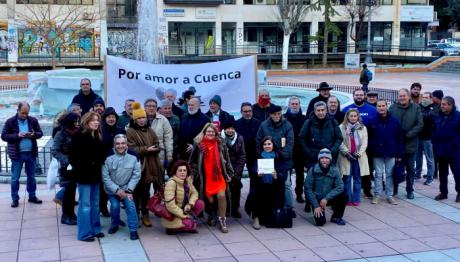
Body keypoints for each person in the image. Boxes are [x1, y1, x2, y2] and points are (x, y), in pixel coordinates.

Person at [189, 123, 234, 233]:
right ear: (204, 132)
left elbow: (227, 159)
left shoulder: (220, 144)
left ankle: (223, 220)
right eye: (208, 131)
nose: (210, 133)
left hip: (219, 177)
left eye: (212, 132)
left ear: (215, 133)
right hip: (206, 177)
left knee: (222, 196)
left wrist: (229, 173)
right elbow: (192, 161)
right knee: (210, 200)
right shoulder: (199, 145)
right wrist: (193, 174)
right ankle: (212, 215)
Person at [69, 112, 106, 242]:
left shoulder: (97, 135)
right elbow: (73, 157)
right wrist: (84, 167)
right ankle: (84, 233)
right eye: (93, 120)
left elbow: (101, 154)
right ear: (86, 121)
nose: (96, 122)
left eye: (97, 120)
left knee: (95, 204)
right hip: (84, 175)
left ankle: (95, 229)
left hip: (96, 175)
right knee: (85, 205)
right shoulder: (79, 136)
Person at [126, 102, 163, 227]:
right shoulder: (130, 131)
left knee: (146, 192)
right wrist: (147, 149)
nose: (142, 120)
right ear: (135, 119)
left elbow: (157, 144)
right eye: (139, 118)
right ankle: (135, 214)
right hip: (138, 166)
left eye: (143, 118)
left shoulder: (150, 130)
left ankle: (145, 214)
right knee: (136, 192)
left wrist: (156, 148)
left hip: (151, 166)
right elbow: (131, 149)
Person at [2, 102, 43, 208]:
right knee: (15, 178)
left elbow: (40, 133)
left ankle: (32, 196)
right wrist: (17, 135)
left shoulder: (33, 120)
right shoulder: (10, 121)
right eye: (22, 113)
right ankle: (15, 199)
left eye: (27, 113)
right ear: (18, 110)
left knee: (31, 177)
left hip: (31, 153)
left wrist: (34, 134)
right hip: (17, 154)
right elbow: (4, 136)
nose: (25, 115)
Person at [102, 134, 141, 240]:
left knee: (131, 206)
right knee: (114, 206)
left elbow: (136, 175)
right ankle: (114, 224)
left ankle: (133, 230)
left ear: (126, 143)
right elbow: (105, 177)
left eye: (123, 143)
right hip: (112, 189)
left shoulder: (134, 156)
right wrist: (117, 190)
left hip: (127, 189)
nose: (120, 146)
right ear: (114, 144)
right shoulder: (107, 156)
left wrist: (129, 190)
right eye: (118, 144)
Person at [255, 105, 295, 210]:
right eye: (274, 114)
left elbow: (290, 143)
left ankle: (289, 207)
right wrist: (261, 156)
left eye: (278, 114)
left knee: (286, 184)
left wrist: (281, 155)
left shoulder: (287, 125)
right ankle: (272, 206)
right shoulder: (263, 125)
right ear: (270, 114)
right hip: (267, 160)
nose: (277, 116)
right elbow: (258, 141)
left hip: (283, 160)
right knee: (269, 184)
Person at [246, 136, 289, 229]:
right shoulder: (258, 156)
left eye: (269, 144)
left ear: (273, 145)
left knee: (269, 221)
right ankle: (255, 217)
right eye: (265, 144)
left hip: (275, 184)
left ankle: (271, 216)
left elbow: (284, 172)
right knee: (256, 193)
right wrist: (257, 174)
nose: (267, 146)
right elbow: (253, 169)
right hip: (261, 184)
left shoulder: (280, 156)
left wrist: (277, 176)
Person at [342, 89, 378, 198]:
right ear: (353, 96)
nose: (359, 97)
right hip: (349, 147)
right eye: (357, 95)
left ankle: (367, 189)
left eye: (361, 95)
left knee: (366, 169)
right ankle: (346, 193)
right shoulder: (346, 109)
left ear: (364, 96)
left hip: (367, 145)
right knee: (348, 172)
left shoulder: (372, 110)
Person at [389, 88, 423, 199]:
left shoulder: (416, 108)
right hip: (396, 145)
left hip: (410, 145)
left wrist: (408, 135)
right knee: (395, 169)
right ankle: (394, 189)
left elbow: (420, 124)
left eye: (404, 96)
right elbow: (389, 122)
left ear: (408, 97)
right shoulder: (393, 107)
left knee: (410, 169)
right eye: (400, 96)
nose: (402, 98)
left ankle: (409, 190)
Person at [367, 100, 404, 205]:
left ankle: (389, 195)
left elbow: (399, 139)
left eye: (383, 106)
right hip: (377, 152)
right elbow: (368, 138)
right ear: (376, 107)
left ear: (386, 106)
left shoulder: (395, 121)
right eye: (379, 106)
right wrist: (372, 148)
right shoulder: (372, 121)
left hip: (391, 151)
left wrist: (399, 154)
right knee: (378, 174)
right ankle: (377, 194)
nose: (381, 108)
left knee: (389, 174)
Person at [304, 148, 347, 226]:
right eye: (322, 158)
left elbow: (340, 186)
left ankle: (336, 217)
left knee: (343, 195)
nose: (324, 160)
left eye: (327, 158)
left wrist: (326, 198)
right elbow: (307, 189)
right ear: (319, 159)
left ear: (330, 159)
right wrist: (316, 205)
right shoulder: (313, 170)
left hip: (328, 197)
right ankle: (314, 209)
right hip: (316, 199)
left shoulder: (335, 170)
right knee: (320, 222)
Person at [52, 112, 80, 225]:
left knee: (72, 191)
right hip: (66, 167)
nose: (77, 125)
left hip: (76, 166)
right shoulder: (60, 134)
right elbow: (55, 151)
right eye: (75, 123)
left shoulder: (76, 133)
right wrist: (67, 161)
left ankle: (71, 214)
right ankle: (66, 216)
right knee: (68, 191)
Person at [337, 109, 370, 206]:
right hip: (346, 157)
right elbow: (340, 142)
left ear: (358, 117)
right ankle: (348, 198)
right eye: (351, 116)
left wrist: (359, 153)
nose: (353, 118)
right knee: (347, 178)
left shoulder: (362, 128)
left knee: (357, 179)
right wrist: (347, 153)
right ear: (347, 117)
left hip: (358, 157)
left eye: (355, 116)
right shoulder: (342, 127)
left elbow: (365, 142)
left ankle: (356, 198)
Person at [162, 160, 205, 235]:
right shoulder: (171, 183)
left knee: (200, 203)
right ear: (175, 172)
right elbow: (170, 206)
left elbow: (195, 193)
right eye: (180, 170)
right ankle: (171, 227)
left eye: (184, 170)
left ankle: (185, 223)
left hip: (184, 208)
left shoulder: (187, 181)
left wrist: (190, 204)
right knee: (189, 224)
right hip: (172, 213)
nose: (182, 172)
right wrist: (185, 215)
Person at [299, 101, 343, 170]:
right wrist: (309, 153)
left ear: (326, 110)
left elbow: (339, 138)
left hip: (329, 157)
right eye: (318, 110)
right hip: (313, 159)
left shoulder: (333, 122)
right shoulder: (309, 122)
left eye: (322, 110)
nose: (321, 112)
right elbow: (302, 138)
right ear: (315, 111)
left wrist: (332, 151)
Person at [432, 96, 460, 202]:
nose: (441, 106)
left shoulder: (458, 117)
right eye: (441, 104)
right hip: (440, 149)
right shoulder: (438, 115)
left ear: (450, 105)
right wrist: (434, 140)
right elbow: (433, 129)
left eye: (444, 104)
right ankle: (443, 192)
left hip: (454, 151)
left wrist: (455, 143)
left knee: (457, 172)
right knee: (443, 173)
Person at [100, 107, 126, 217]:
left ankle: (115, 209)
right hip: (104, 163)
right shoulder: (100, 130)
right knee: (103, 187)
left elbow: (125, 146)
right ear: (105, 118)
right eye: (109, 117)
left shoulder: (120, 130)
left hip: (118, 163)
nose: (111, 119)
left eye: (113, 117)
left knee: (117, 185)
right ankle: (103, 207)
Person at [283, 96, 307, 203]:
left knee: (300, 175)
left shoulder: (304, 119)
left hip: (300, 152)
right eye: (292, 104)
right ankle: (288, 195)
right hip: (287, 152)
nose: (295, 106)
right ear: (288, 105)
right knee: (286, 175)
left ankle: (299, 194)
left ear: (299, 105)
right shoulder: (283, 118)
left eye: (296, 104)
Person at [220, 118, 246, 218]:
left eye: (232, 128)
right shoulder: (219, 138)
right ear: (224, 129)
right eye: (228, 128)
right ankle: (226, 208)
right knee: (224, 190)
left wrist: (236, 171)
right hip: (223, 168)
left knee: (236, 189)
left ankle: (235, 208)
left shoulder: (240, 138)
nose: (230, 130)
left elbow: (242, 156)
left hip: (236, 169)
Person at [235, 102, 262, 191]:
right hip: (240, 155)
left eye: (249, 111)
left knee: (254, 178)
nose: (248, 113)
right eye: (245, 111)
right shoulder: (236, 124)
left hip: (254, 155)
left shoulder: (258, 123)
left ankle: (253, 201)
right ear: (241, 112)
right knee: (236, 178)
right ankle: (235, 202)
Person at [145, 98, 173, 166]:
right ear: (145, 107)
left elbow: (168, 138)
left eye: (153, 106)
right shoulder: (139, 118)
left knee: (159, 175)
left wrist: (169, 154)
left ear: (157, 108)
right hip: (144, 153)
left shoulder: (163, 120)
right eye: (149, 106)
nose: (151, 108)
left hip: (159, 154)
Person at [416, 92, 436, 184]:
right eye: (423, 97)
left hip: (428, 137)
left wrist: (420, 116)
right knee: (418, 157)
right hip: (418, 136)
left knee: (429, 158)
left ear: (431, 98)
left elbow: (430, 117)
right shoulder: (418, 106)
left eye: (426, 97)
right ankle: (417, 174)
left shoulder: (434, 108)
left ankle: (430, 177)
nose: (424, 99)